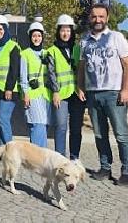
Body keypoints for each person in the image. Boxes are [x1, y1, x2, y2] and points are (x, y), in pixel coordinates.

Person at [77, 4, 128, 186]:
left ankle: (127, 171)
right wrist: (81, 87)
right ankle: (105, 167)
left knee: (121, 134)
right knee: (100, 134)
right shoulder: (84, 41)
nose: (98, 20)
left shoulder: (116, 38)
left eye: (101, 16)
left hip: (113, 93)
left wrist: (126, 90)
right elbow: (81, 67)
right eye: (94, 16)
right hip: (93, 94)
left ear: (107, 18)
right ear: (90, 18)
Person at [47, 14, 82, 158]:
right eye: (62, 30)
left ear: (72, 31)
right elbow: (51, 73)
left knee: (76, 128)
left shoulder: (77, 49)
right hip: (61, 94)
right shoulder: (52, 50)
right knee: (61, 126)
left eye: (68, 30)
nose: (65, 33)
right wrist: (55, 92)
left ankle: (74, 157)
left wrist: (81, 88)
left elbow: (81, 70)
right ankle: (60, 158)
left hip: (77, 93)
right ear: (58, 32)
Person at [20, 22, 52, 148]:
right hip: (32, 94)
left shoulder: (46, 53)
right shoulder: (25, 54)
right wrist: (25, 93)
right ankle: (38, 155)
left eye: (39, 35)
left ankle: (41, 155)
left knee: (43, 125)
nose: (36, 38)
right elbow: (23, 76)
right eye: (34, 36)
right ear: (30, 37)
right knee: (37, 124)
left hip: (46, 95)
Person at [0, 15, 21, 145]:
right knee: (0, 119)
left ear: (6, 29)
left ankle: (10, 148)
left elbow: (14, 69)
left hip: (9, 89)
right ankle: (3, 145)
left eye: (0, 29)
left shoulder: (13, 46)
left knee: (3, 118)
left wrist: (9, 88)